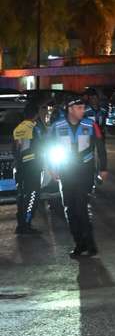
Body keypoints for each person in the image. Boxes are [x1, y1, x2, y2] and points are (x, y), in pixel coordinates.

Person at [51, 95, 108, 258]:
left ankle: (90, 245)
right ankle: (79, 243)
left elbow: (100, 148)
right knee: (69, 209)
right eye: (79, 108)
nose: (83, 111)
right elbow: (48, 147)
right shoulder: (57, 126)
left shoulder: (91, 125)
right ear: (70, 109)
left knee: (81, 207)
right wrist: (51, 167)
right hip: (66, 171)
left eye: (83, 107)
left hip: (85, 172)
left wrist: (103, 168)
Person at [13, 99, 46, 235]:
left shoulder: (18, 128)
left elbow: (17, 149)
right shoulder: (35, 128)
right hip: (32, 167)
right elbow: (42, 145)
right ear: (36, 114)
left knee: (22, 196)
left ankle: (21, 224)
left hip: (20, 167)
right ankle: (26, 224)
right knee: (33, 194)